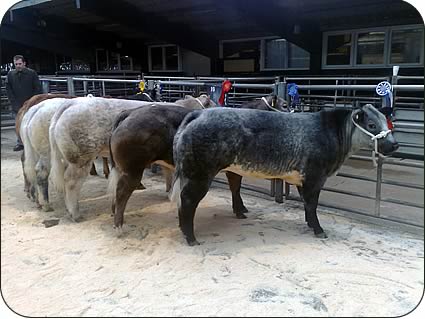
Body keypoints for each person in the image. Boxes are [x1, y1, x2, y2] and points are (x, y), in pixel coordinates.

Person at [6, 55, 42, 151]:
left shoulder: (32, 73)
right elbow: (9, 90)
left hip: (31, 103)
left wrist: (33, 102)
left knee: (32, 123)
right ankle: (20, 143)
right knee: (18, 124)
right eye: (16, 64)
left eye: (20, 64)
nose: (18, 66)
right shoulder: (11, 74)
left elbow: (37, 88)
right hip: (17, 104)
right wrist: (14, 103)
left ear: (24, 63)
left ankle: (32, 142)